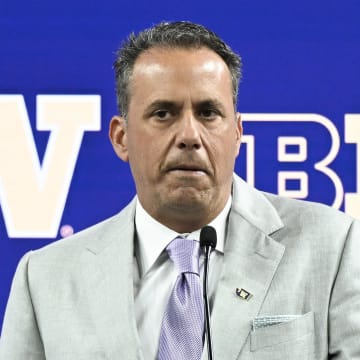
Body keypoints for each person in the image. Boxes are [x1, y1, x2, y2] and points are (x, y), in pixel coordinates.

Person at [0, 21, 359, 360]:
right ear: (120, 138)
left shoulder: (334, 246)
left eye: (208, 113)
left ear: (236, 134)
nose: (189, 136)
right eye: (163, 113)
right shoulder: (44, 280)